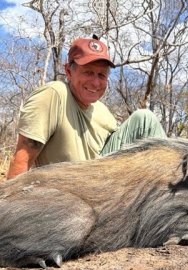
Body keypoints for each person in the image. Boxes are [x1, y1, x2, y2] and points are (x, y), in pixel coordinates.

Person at [7, 37, 166, 179]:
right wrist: (9, 208)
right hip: (66, 196)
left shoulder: (104, 112)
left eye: (101, 75)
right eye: (88, 72)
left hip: (104, 186)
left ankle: (173, 192)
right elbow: (23, 157)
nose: (95, 83)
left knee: (145, 119)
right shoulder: (55, 94)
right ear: (68, 71)